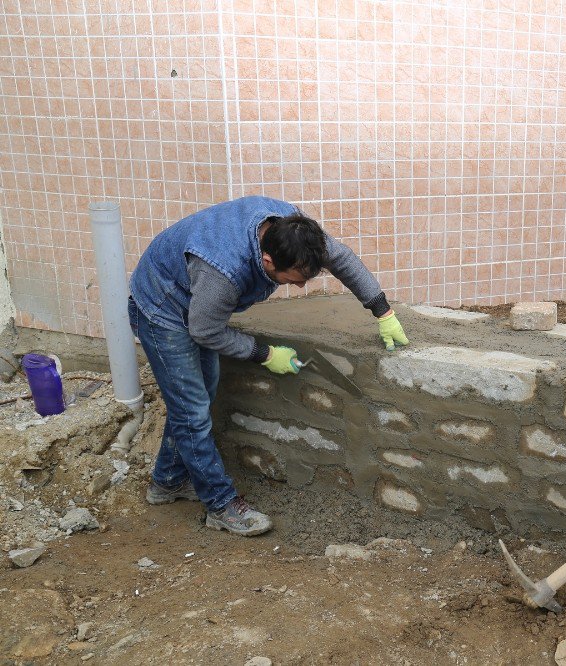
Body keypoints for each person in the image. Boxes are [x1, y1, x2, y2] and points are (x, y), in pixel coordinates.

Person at [129, 196, 409, 537]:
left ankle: (168, 482)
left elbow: (343, 259)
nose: (302, 285)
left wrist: (383, 311)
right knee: (192, 411)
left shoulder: (297, 234)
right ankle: (221, 505)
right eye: (294, 279)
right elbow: (204, 330)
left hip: (199, 302)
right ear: (266, 260)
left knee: (198, 398)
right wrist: (262, 354)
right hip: (165, 307)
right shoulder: (223, 271)